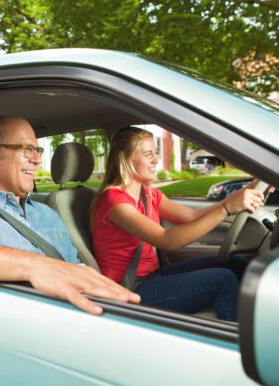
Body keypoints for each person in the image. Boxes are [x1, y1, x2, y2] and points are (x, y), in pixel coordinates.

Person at [0, 115, 140, 315]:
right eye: (28, 149)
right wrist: (34, 266)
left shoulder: (47, 212)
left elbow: (73, 267)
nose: (38, 159)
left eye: (38, 150)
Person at [91, 126, 265, 321]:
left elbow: (191, 216)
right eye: (148, 154)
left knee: (235, 262)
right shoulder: (114, 201)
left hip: (153, 276)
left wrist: (243, 193)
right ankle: (245, 337)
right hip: (129, 289)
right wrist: (225, 209)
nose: (156, 160)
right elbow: (168, 240)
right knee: (222, 280)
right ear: (125, 158)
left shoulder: (149, 194)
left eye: (156, 152)